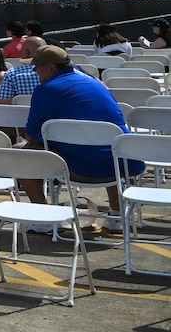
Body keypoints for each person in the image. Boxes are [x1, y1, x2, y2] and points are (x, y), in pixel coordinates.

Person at [22, 44, 132, 228]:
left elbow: (33, 137)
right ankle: (117, 216)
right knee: (105, 147)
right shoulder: (97, 84)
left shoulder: (45, 90)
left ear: (51, 67)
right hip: (119, 167)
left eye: (37, 66)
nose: (34, 70)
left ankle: (45, 220)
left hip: (76, 169)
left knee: (21, 155)